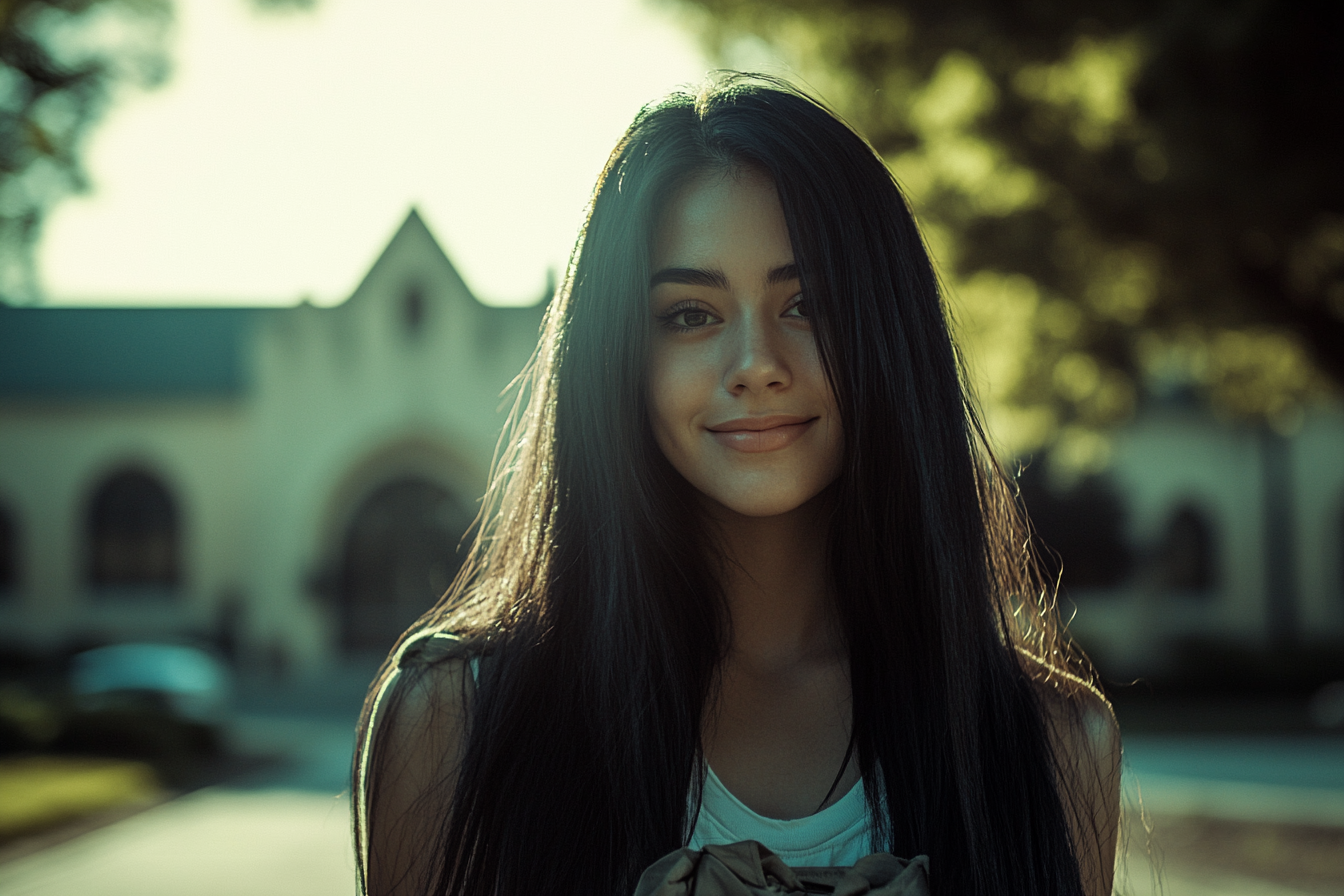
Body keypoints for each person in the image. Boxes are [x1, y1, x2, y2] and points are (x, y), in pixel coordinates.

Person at [353, 74, 1121, 896]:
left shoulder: (1056, 743)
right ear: (618, 355)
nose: (756, 364)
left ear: (889, 331)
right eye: (690, 314)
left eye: (809, 303)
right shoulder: (453, 723)